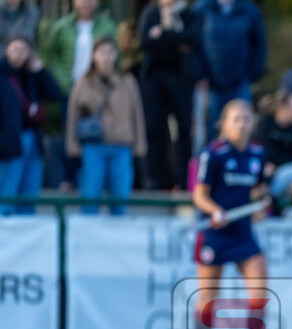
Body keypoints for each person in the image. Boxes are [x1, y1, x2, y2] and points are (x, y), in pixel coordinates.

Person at [192, 99, 270, 329]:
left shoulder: (257, 154)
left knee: (259, 292)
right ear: (223, 124)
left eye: (246, 119)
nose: (242, 124)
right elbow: (199, 195)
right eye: (236, 119)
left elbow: (258, 189)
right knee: (208, 298)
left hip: (243, 233)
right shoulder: (213, 154)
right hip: (216, 234)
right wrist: (214, 211)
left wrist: (261, 203)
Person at [65, 37, 146, 215]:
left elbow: (137, 114)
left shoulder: (128, 81)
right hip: (93, 144)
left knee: (120, 198)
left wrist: (139, 145)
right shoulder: (83, 83)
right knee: (90, 197)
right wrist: (73, 147)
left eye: (110, 52)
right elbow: (73, 116)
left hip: (122, 145)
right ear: (93, 56)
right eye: (102, 52)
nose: (106, 57)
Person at [139, 0, 202, 191]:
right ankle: (155, 178)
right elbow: (145, 42)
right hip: (155, 79)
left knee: (184, 129)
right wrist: (177, 39)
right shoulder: (151, 13)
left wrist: (162, 34)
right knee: (154, 127)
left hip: (181, 79)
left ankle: (183, 180)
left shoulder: (190, 15)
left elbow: (194, 38)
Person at [0, 36, 60, 215]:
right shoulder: (2, 75)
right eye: (14, 49)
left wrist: (41, 71)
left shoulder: (32, 75)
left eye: (23, 50)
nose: (18, 54)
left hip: (33, 137)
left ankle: (26, 222)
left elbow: (55, 94)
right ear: (7, 51)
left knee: (30, 189)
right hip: (9, 140)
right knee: (8, 190)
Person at [193, 0, 267, 141]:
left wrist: (253, 73)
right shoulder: (203, 8)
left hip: (240, 81)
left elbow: (259, 43)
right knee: (212, 127)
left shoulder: (249, 9)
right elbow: (195, 44)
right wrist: (200, 74)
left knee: (241, 124)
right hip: (211, 84)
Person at [42, 0, 116, 94]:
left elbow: (116, 55)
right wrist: (60, 77)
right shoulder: (62, 27)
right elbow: (51, 55)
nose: (86, 3)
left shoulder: (108, 27)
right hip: (68, 87)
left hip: (98, 88)